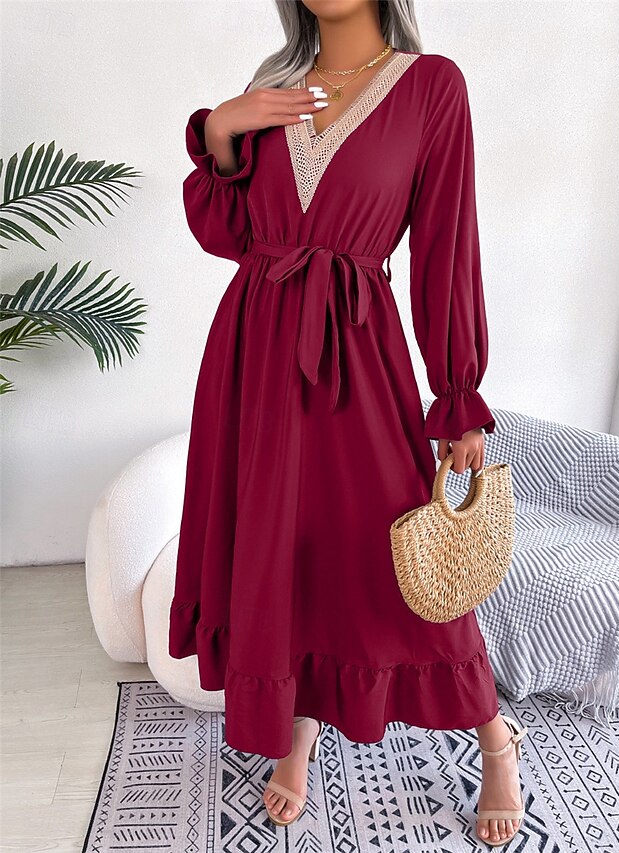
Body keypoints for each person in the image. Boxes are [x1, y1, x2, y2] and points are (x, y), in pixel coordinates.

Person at [169, 0, 528, 846]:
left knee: (390, 554)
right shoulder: (274, 87)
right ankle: (300, 725)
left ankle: (494, 734)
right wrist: (222, 131)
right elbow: (230, 233)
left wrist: (457, 394)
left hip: (357, 354)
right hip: (253, 354)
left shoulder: (431, 87)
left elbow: (446, 246)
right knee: (286, 548)